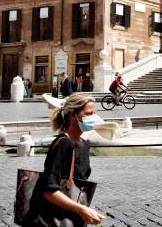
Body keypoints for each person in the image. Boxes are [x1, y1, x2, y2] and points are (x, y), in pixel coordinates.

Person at [24, 94, 105, 226]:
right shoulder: (63, 144)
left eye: (94, 113)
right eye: (88, 113)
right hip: (54, 219)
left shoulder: (84, 145)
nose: (93, 118)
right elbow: (49, 190)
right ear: (73, 115)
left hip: (74, 218)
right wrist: (82, 209)